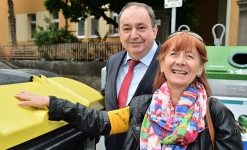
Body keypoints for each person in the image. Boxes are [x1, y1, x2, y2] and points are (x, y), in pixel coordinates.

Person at [15, 31, 243, 150]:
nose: (180, 62)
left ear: (200, 67)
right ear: (162, 64)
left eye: (190, 56)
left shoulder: (214, 113)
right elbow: (100, 121)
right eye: (173, 55)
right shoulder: (143, 107)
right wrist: (54, 103)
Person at [102, 2, 160, 149]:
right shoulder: (113, 62)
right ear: (120, 33)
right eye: (127, 29)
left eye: (141, 28)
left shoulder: (170, 64)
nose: (134, 35)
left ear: (154, 30)